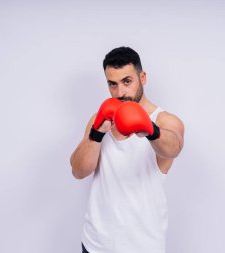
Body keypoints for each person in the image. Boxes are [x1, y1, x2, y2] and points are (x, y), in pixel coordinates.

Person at [70, 46, 185, 253]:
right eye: (112, 84)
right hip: (95, 244)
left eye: (127, 81)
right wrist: (97, 132)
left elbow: (173, 148)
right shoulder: (99, 118)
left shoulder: (165, 120)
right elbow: (79, 171)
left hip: (143, 245)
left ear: (143, 77)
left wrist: (150, 129)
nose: (120, 92)